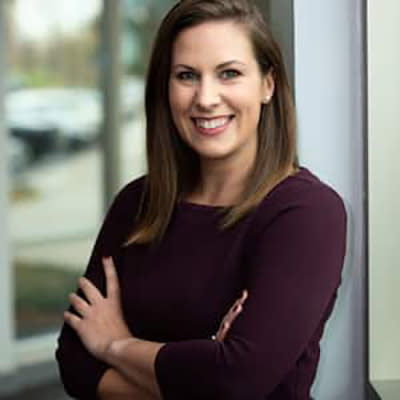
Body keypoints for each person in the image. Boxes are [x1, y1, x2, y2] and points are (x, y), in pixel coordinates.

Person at [55, 0, 347, 399]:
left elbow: (235, 381)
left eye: (229, 73)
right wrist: (198, 369)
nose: (206, 98)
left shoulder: (306, 214)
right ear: (166, 87)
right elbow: (74, 364)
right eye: (187, 75)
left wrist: (115, 345)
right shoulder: (137, 203)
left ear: (267, 84)